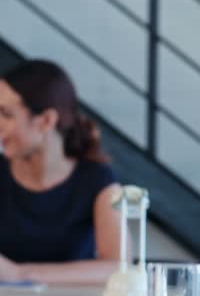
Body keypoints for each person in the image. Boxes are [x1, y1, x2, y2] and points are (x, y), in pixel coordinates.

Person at [0, 60, 126, 285]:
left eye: (6, 114)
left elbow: (119, 267)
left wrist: (21, 274)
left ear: (46, 120)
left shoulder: (98, 180)